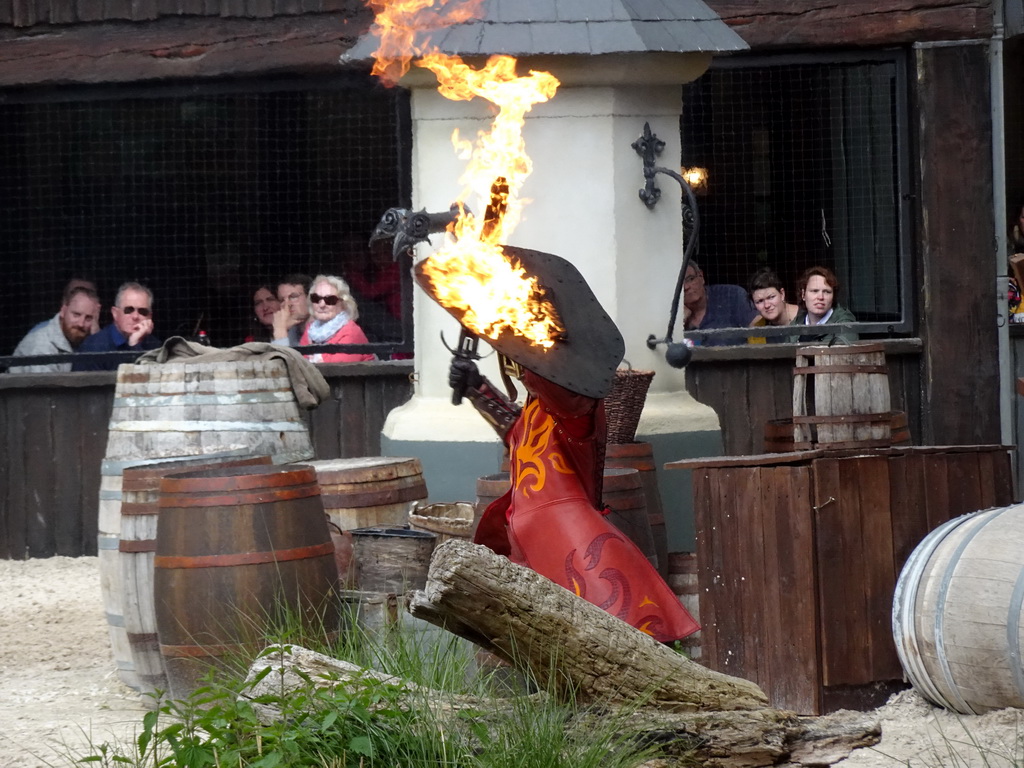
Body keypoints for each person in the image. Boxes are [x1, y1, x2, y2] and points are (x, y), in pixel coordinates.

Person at [73, 282, 161, 371]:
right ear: (115, 313)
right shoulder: (93, 347)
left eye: (142, 311)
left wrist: (135, 344)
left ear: (149, 317)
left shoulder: (155, 346)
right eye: (128, 310)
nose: (135, 316)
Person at [11, 286, 102, 373]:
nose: (81, 324)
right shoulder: (42, 346)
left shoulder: (88, 337)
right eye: (76, 315)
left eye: (88, 318)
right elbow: (43, 388)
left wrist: (95, 338)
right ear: (63, 311)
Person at [299, 274, 374, 363]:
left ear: (343, 304)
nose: (322, 305)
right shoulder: (311, 329)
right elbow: (296, 365)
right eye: (316, 298)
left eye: (330, 300)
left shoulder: (351, 332)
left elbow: (334, 371)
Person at [682, 260, 758, 345]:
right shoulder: (675, 315)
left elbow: (758, 329)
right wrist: (681, 321)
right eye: (680, 283)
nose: (686, 287)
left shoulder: (731, 295)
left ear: (701, 276)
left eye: (690, 279)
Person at [793, 265, 859, 344]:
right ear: (803, 295)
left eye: (827, 292)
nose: (820, 297)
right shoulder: (798, 321)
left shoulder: (845, 321)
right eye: (814, 291)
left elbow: (842, 352)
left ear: (833, 296)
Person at [747, 267, 800, 343]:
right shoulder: (757, 331)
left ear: (782, 294)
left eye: (771, 297)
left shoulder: (807, 317)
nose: (767, 305)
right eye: (760, 301)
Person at [272, 273, 312, 347]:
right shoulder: (287, 331)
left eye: (293, 297)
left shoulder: (324, 331)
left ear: (309, 298)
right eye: (282, 300)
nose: (288, 304)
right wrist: (281, 330)